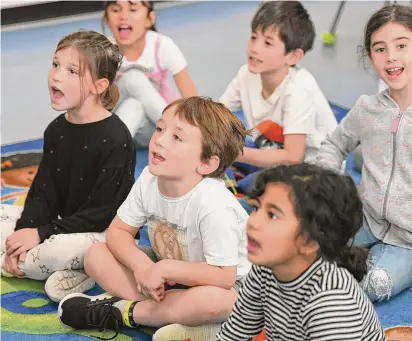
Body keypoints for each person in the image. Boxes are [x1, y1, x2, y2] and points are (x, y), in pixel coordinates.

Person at [57, 97, 251, 341]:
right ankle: (174, 317)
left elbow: (224, 276)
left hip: (228, 288)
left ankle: (125, 312)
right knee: (97, 254)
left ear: (206, 163)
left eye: (176, 137)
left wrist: (166, 268)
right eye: (160, 128)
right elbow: (118, 232)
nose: (159, 140)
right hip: (169, 279)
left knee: (218, 301)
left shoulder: (214, 205)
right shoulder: (150, 177)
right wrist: (143, 267)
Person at [1, 30, 136, 303]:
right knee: (9, 226)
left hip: (99, 234)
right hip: (59, 225)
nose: (57, 76)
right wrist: (23, 233)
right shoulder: (56, 130)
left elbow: (103, 214)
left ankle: (84, 267)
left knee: (58, 251)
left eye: (72, 71)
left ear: (99, 86)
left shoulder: (116, 139)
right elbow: (43, 192)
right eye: (55, 64)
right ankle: (43, 265)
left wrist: (40, 233)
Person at [217, 164, 385, 341]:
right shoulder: (265, 268)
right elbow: (235, 331)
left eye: (272, 215)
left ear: (309, 242)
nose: (252, 222)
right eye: (257, 208)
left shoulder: (331, 303)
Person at [317, 4, 412, 302]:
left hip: (407, 241)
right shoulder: (365, 108)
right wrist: (333, 188)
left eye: (401, 46)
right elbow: (333, 145)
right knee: (306, 253)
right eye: (380, 49)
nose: (391, 56)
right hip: (364, 218)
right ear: (369, 57)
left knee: (374, 286)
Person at [220, 1, 337, 199]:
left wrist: (235, 154)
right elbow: (216, 112)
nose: (254, 48)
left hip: (313, 172)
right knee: (222, 147)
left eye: (267, 43)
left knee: (257, 185)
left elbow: (293, 157)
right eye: (253, 37)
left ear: (293, 56)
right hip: (271, 149)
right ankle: (245, 178)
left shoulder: (299, 88)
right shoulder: (246, 75)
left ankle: (245, 185)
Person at [104, 1, 198, 146]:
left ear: (150, 18)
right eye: (116, 10)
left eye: (133, 9)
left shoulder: (162, 45)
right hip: (113, 122)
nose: (123, 16)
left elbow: (192, 99)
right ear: (107, 20)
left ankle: (106, 152)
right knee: (132, 79)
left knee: (134, 104)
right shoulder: (102, 52)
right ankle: (180, 134)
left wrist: (204, 130)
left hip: (152, 131)